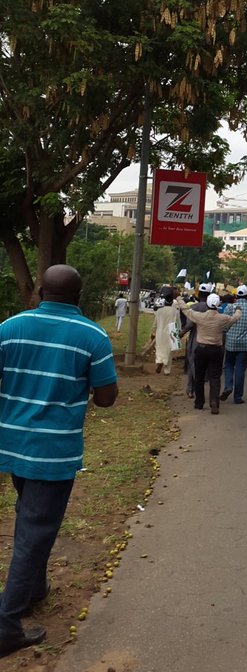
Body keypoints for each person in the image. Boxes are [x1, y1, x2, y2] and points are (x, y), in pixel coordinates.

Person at [0, 264, 118, 656]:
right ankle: (7, 625)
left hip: (13, 444)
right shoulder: (92, 336)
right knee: (35, 532)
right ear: (79, 296)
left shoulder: (10, 327)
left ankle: (34, 589)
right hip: (53, 451)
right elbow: (106, 398)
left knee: (29, 516)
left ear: (39, 291)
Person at [178, 293, 242, 414]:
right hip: (216, 350)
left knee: (199, 376)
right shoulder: (223, 318)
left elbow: (186, 310)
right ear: (218, 304)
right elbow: (235, 318)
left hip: (201, 349)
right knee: (215, 377)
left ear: (207, 304)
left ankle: (199, 402)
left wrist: (179, 298)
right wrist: (238, 310)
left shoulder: (200, 316)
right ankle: (214, 401)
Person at [221, 285, 247, 404]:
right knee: (240, 369)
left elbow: (224, 325)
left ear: (236, 296)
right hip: (245, 344)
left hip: (230, 343)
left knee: (228, 365)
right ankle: (238, 397)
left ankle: (228, 386)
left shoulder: (229, 308)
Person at [180, 284, 210, 397]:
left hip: (196, 339)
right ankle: (195, 387)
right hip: (208, 340)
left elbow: (189, 325)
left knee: (193, 364)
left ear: (198, 294)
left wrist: (181, 333)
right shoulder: (212, 307)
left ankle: (191, 388)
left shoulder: (195, 308)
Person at [151, 288, 181, 375]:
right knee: (169, 351)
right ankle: (167, 370)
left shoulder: (159, 311)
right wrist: (179, 333)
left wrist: (153, 333)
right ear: (172, 302)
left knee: (160, 348)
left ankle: (159, 361)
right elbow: (178, 323)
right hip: (172, 331)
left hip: (160, 331)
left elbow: (155, 324)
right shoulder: (176, 311)